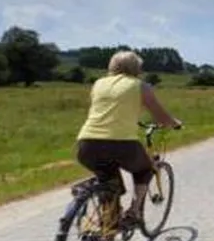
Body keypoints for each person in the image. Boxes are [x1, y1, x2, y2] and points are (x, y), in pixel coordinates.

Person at [75, 50, 182, 229]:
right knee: (145, 170)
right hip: (121, 144)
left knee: (109, 181)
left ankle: (109, 221)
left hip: (87, 144)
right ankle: (134, 213)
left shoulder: (98, 84)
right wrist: (174, 123)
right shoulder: (141, 86)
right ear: (137, 68)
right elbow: (161, 118)